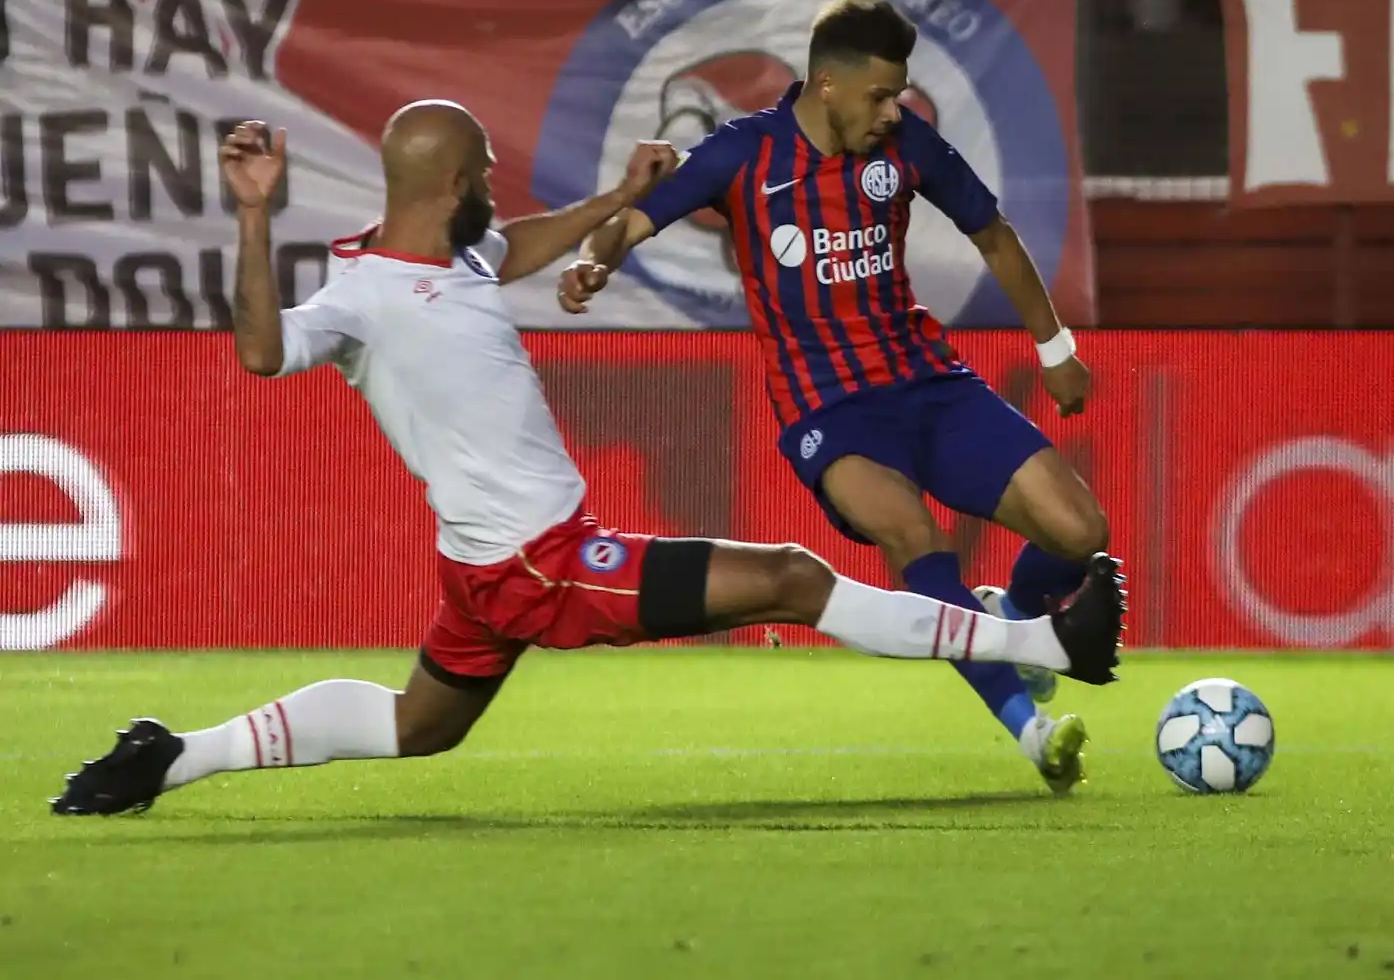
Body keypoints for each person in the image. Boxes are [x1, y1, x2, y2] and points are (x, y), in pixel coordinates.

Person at [50, 100, 1123, 818]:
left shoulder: (450, 250)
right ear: (453, 179)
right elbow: (259, 349)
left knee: (415, 724)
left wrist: (617, 200)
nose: (494, 184)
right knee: (795, 578)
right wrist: (250, 218)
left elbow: (510, 246)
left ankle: (171, 752)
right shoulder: (357, 299)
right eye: (484, 172)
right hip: (541, 563)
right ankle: (1038, 639)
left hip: (486, 570)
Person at [561, 0, 1115, 790]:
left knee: (1080, 530)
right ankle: (1032, 731)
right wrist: (596, 261)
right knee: (915, 539)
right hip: (832, 413)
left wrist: (1055, 347)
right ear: (828, 85)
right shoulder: (742, 155)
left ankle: (1015, 621)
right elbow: (632, 222)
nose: (894, 112)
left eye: (899, 96)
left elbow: (990, 231)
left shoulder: (904, 146)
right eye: (881, 95)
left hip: (930, 383)